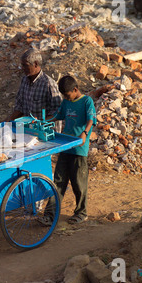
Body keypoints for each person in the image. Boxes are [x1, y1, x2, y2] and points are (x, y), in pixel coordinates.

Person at [39, 75, 97, 225]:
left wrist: (84, 133)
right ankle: (50, 215)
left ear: (75, 89)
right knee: (58, 182)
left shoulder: (86, 101)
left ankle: (81, 212)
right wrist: (43, 122)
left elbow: (91, 119)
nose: (66, 98)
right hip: (66, 147)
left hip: (79, 149)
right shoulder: (66, 102)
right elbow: (58, 115)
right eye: (64, 96)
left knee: (79, 183)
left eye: (67, 95)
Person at [7, 48, 62, 124]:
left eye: (25, 65)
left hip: (44, 131)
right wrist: (7, 121)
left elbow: (57, 113)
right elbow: (19, 107)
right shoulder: (24, 80)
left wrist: (40, 123)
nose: (22, 68)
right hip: (28, 129)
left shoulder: (48, 84)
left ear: (35, 64)